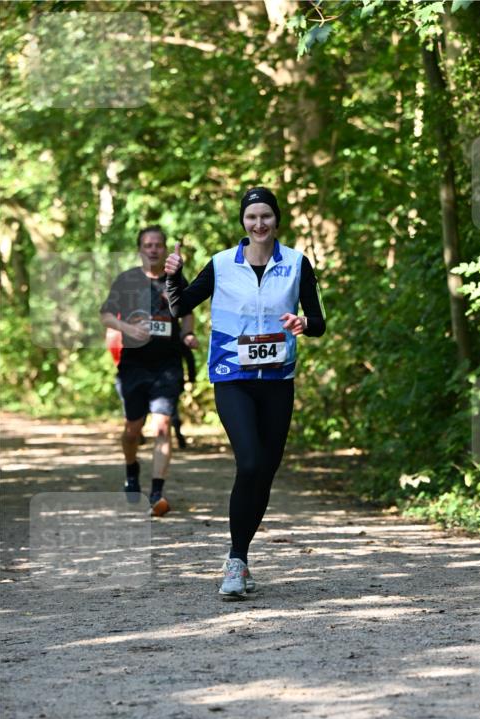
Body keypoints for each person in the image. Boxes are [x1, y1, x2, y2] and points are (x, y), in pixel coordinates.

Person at [165, 186, 326, 598]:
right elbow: (180, 307)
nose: (259, 224)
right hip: (232, 376)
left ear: (276, 221)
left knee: (265, 471)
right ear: (243, 221)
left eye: (266, 217)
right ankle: (235, 561)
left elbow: (319, 321)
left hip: (277, 380)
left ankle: (243, 556)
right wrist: (173, 275)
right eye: (252, 217)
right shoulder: (221, 264)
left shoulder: (296, 263)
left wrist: (303, 325)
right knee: (250, 462)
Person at [100, 225, 198, 515]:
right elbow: (106, 315)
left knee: (163, 426)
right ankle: (132, 471)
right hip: (134, 364)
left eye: (158, 245)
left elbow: (189, 313)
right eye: (148, 245)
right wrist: (127, 327)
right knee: (132, 430)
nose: (153, 249)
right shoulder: (127, 280)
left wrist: (187, 335)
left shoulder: (175, 279)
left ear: (165, 248)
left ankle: (157, 492)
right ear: (140, 249)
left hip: (167, 364)